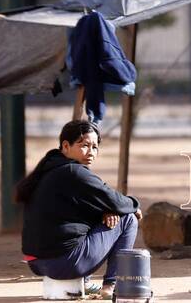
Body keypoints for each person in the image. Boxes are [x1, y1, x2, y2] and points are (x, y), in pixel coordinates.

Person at [16, 120, 142, 299]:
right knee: (128, 218)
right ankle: (111, 285)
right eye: (84, 146)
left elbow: (94, 206)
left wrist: (106, 211)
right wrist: (133, 204)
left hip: (36, 262)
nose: (91, 152)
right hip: (64, 263)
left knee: (103, 215)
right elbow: (116, 201)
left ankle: (85, 282)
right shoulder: (73, 172)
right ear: (66, 146)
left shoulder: (48, 169)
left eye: (95, 147)